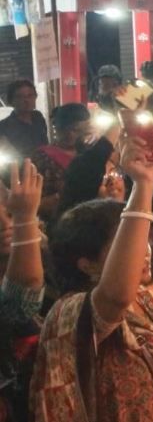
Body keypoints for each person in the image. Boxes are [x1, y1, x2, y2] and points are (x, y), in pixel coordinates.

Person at [32, 137, 153, 421]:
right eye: (127, 245)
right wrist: (144, 186)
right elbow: (114, 297)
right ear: (87, 264)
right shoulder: (74, 310)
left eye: (145, 241)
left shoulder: (145, 297)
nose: (145, 252)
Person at [0, 161, 45, 422]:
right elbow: (21, 305)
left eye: (9, 212)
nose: (6, 224)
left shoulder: (49, 259)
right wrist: (24, 219)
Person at [31, 103, 90, 219]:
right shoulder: (42, 156)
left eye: (76, 130)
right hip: (57, 219)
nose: (70, 134)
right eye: (64, 129)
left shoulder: (92, 153)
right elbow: (35, 200)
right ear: (56, 127)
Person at [0, 80, 48, 157]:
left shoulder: (38, 117)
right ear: (11, 100)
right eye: (20, 97)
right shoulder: (4, 127)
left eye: (30, 95)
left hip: (46, 164)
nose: (26, 100)